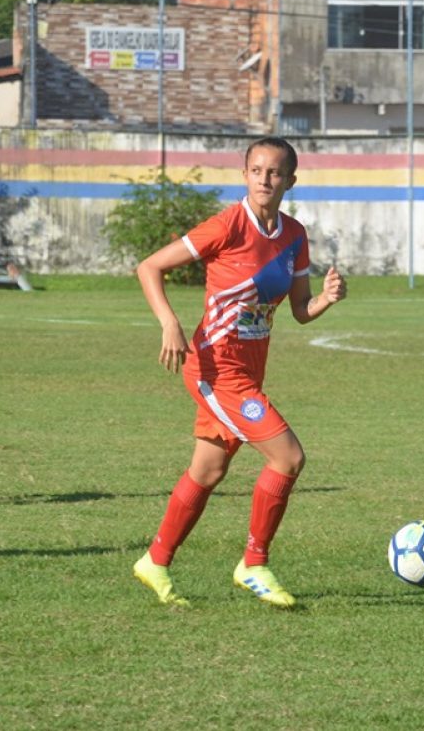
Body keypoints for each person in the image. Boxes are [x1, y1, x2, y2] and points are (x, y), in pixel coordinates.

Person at [133, 137, 347, 608]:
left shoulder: (294, 236)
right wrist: (169, 322)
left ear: (290, 180)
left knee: (207, 469)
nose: (264, 179)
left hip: (249, 370)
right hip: (215, 367)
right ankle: (254, 563)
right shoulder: (227, 225)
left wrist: (327, 299)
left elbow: (300, 310)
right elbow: (149, 267)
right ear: (245, 175)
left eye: (275, 172)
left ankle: (155, 560)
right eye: (256, 170)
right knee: (288, 457)